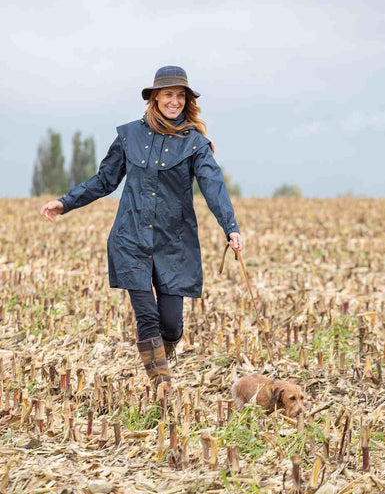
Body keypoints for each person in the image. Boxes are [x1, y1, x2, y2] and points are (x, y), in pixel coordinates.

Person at [40, 65, 242, 392]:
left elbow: (213, 186)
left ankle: (163, 353)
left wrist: (230, 227)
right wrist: (65, 203)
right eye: (168, 95)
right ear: (155, 98)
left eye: (180, 96)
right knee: (146, 318)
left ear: (187, 100)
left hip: (174, 243)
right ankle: (163, 391)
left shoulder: (195, 144)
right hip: (130, 238)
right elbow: (104, 180)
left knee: (171, 324)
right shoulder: (129, 136)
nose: (174, 101)